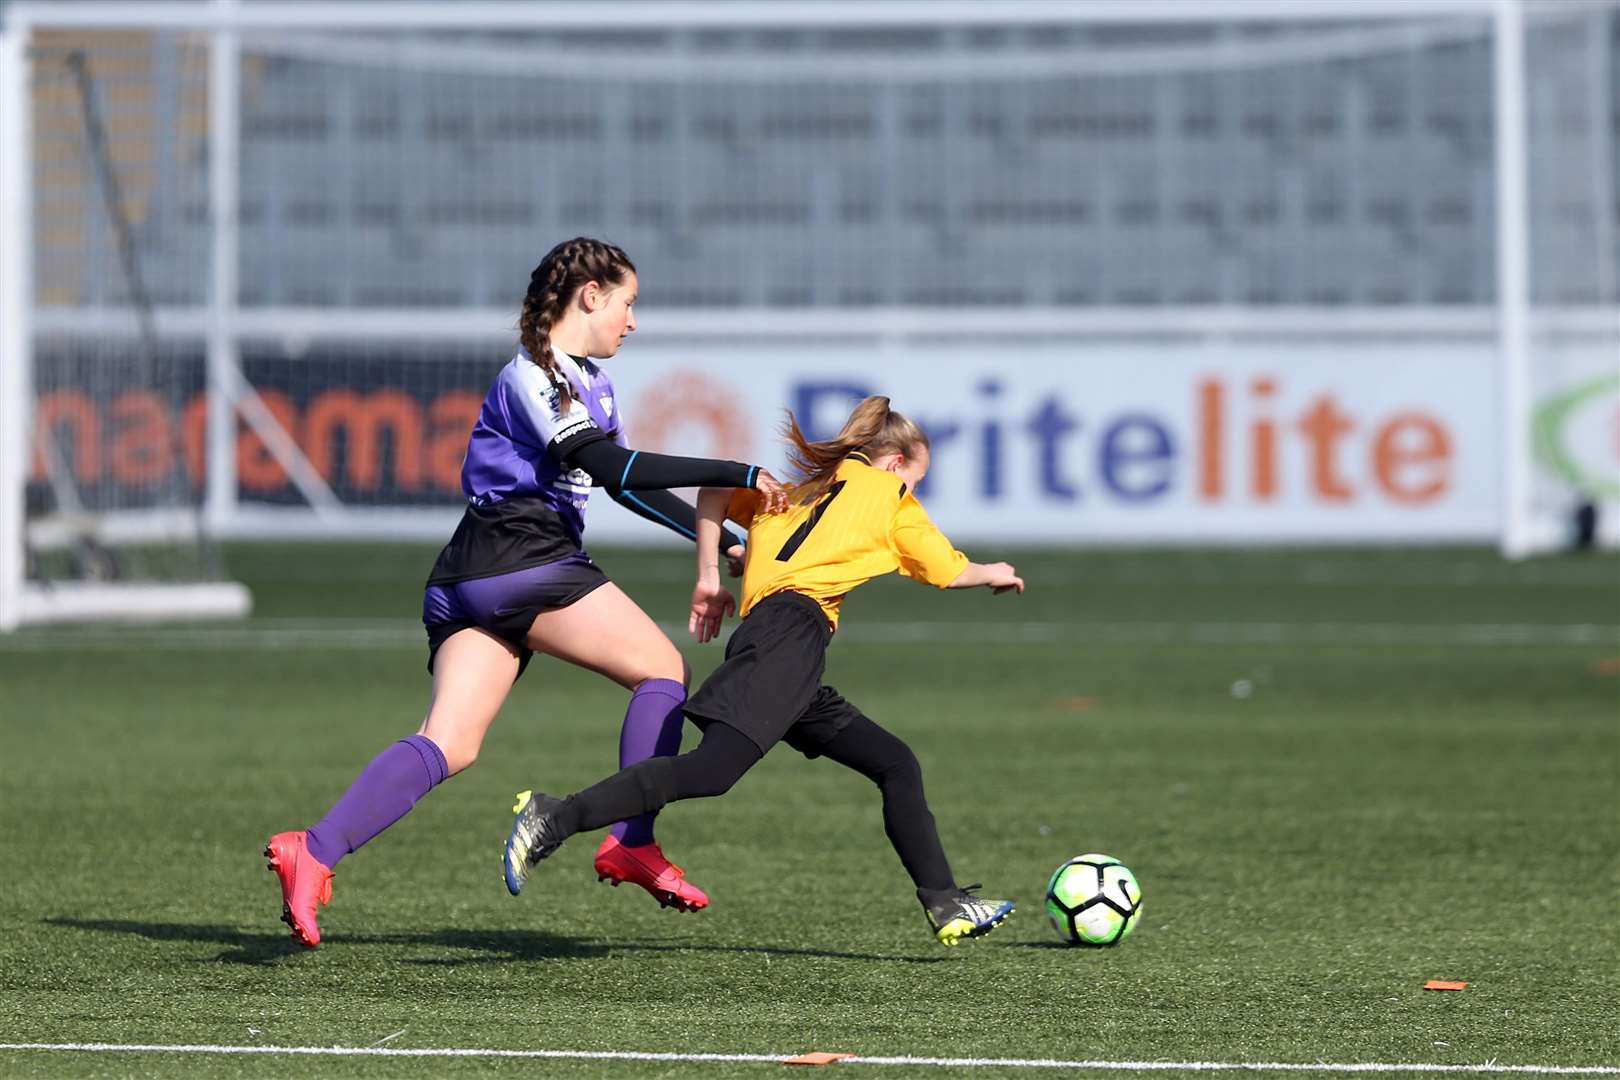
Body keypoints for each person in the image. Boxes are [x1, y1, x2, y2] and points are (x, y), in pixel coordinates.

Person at [265, 237, 787, 948]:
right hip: (523, 558)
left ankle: (315, 849)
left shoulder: (586, 381)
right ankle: (632, 840)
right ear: (591, 295)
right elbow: (607, 463)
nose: (633, 321)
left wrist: (723, 540)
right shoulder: (537, 374)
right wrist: (736, 468)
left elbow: (621, 480)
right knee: (663, 671)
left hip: (467, 576)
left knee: (449, 741)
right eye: (628, 303)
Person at [502, 395, 1025, 946]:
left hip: (778, 643)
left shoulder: (803, 489)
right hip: (790, 640)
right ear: (895, 464)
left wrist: (712, 571)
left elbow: (715, 492)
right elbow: (946, 569)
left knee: (895, 763)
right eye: (915, 480)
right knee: (709, 773)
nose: (911, 490)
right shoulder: (890, 494)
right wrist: (994, 571)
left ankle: (945, 901)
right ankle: (553, 818)